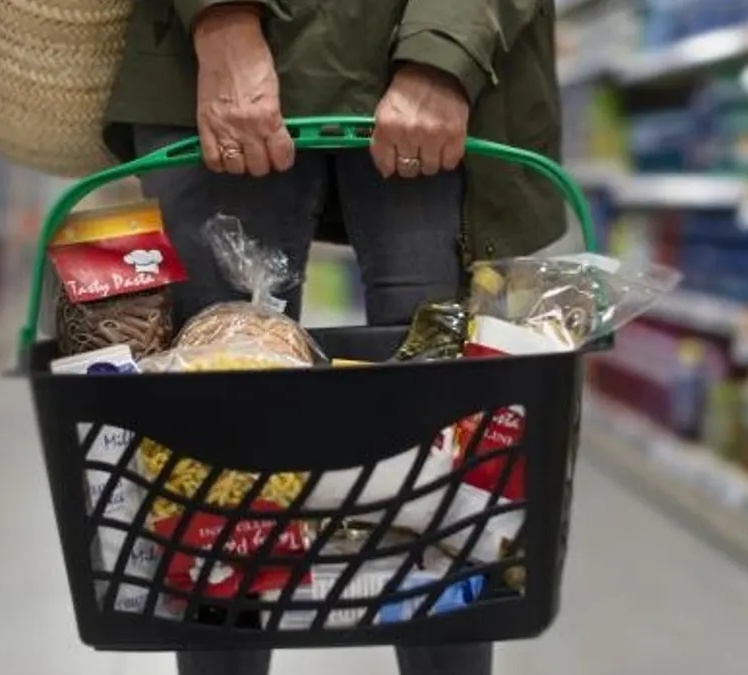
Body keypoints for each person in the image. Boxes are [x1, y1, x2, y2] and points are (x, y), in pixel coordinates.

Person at [100, 1, 573, 673]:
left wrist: (445, 48)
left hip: (431, 53)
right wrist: (221, 21)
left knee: (448, 439)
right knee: (211, 438)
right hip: (201, 58)